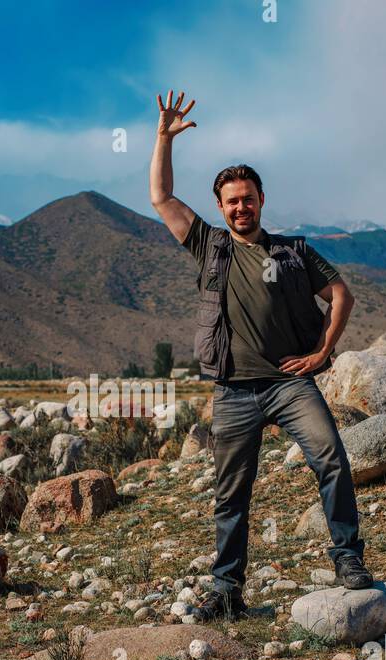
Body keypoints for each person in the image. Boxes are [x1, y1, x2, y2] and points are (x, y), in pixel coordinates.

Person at [147, 90, 373, 621]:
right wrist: (163, 138)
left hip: (289, 383)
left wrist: (322, 351)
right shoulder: (209, 246)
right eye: (231, 200)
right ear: (221, 208)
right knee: (231, 492)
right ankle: (227, 588)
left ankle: (349, 562)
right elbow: (161, 197)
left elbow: (341, 293)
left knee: (332, 459)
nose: (240, 206)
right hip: (233, 389)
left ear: (261, 200)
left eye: (248, 197)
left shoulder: (292, 251)